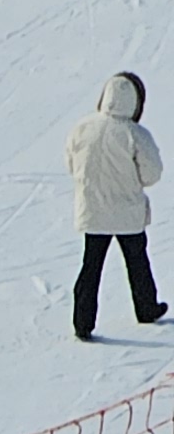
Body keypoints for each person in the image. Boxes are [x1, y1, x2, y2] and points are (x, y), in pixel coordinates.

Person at [68, 72, 164, 342]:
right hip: (127, 212)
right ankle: (147, 308)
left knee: (91, 266)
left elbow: (71, 162)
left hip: (93, 210)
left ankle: (82, 322)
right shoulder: (135, 134)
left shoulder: (82, 127)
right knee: (137, 262)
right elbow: (152, 174)